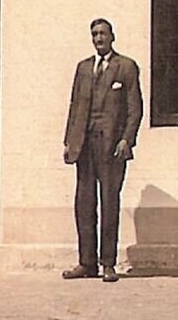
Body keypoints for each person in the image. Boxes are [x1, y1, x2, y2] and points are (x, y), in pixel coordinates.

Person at [61, 17, 143, 283]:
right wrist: (69, 141)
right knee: (84, 204)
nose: (98, 38)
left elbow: (135, 109)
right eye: (94, 34)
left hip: (111, 148)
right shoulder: (83, 68)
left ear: (112, 37)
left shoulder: (126, 67)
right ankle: (87, 263)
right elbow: (75, 107)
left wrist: (126, 140)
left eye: (103, 34)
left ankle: (108, 263)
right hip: (84, 146)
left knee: (109, 202)